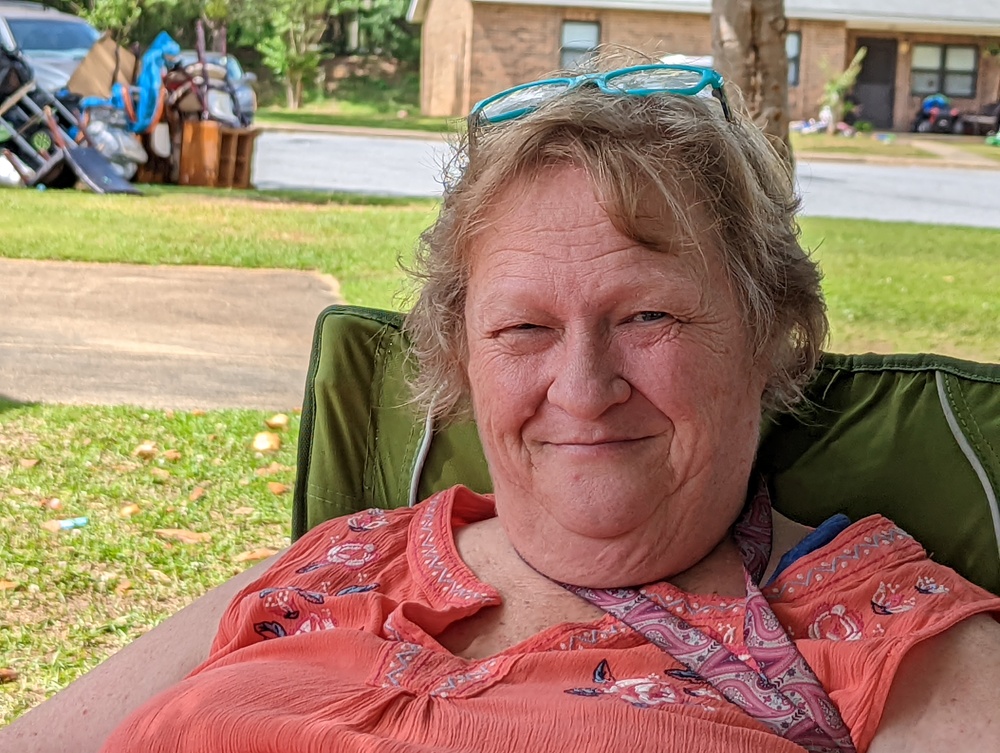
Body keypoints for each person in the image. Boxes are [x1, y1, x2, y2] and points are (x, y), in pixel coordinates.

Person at [4, 58, 1000, 753]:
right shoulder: (342, 561)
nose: (581, 388)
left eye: (648, 314)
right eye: (523, 329)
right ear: (461, 355)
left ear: (769, 336)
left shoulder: (870, 637)